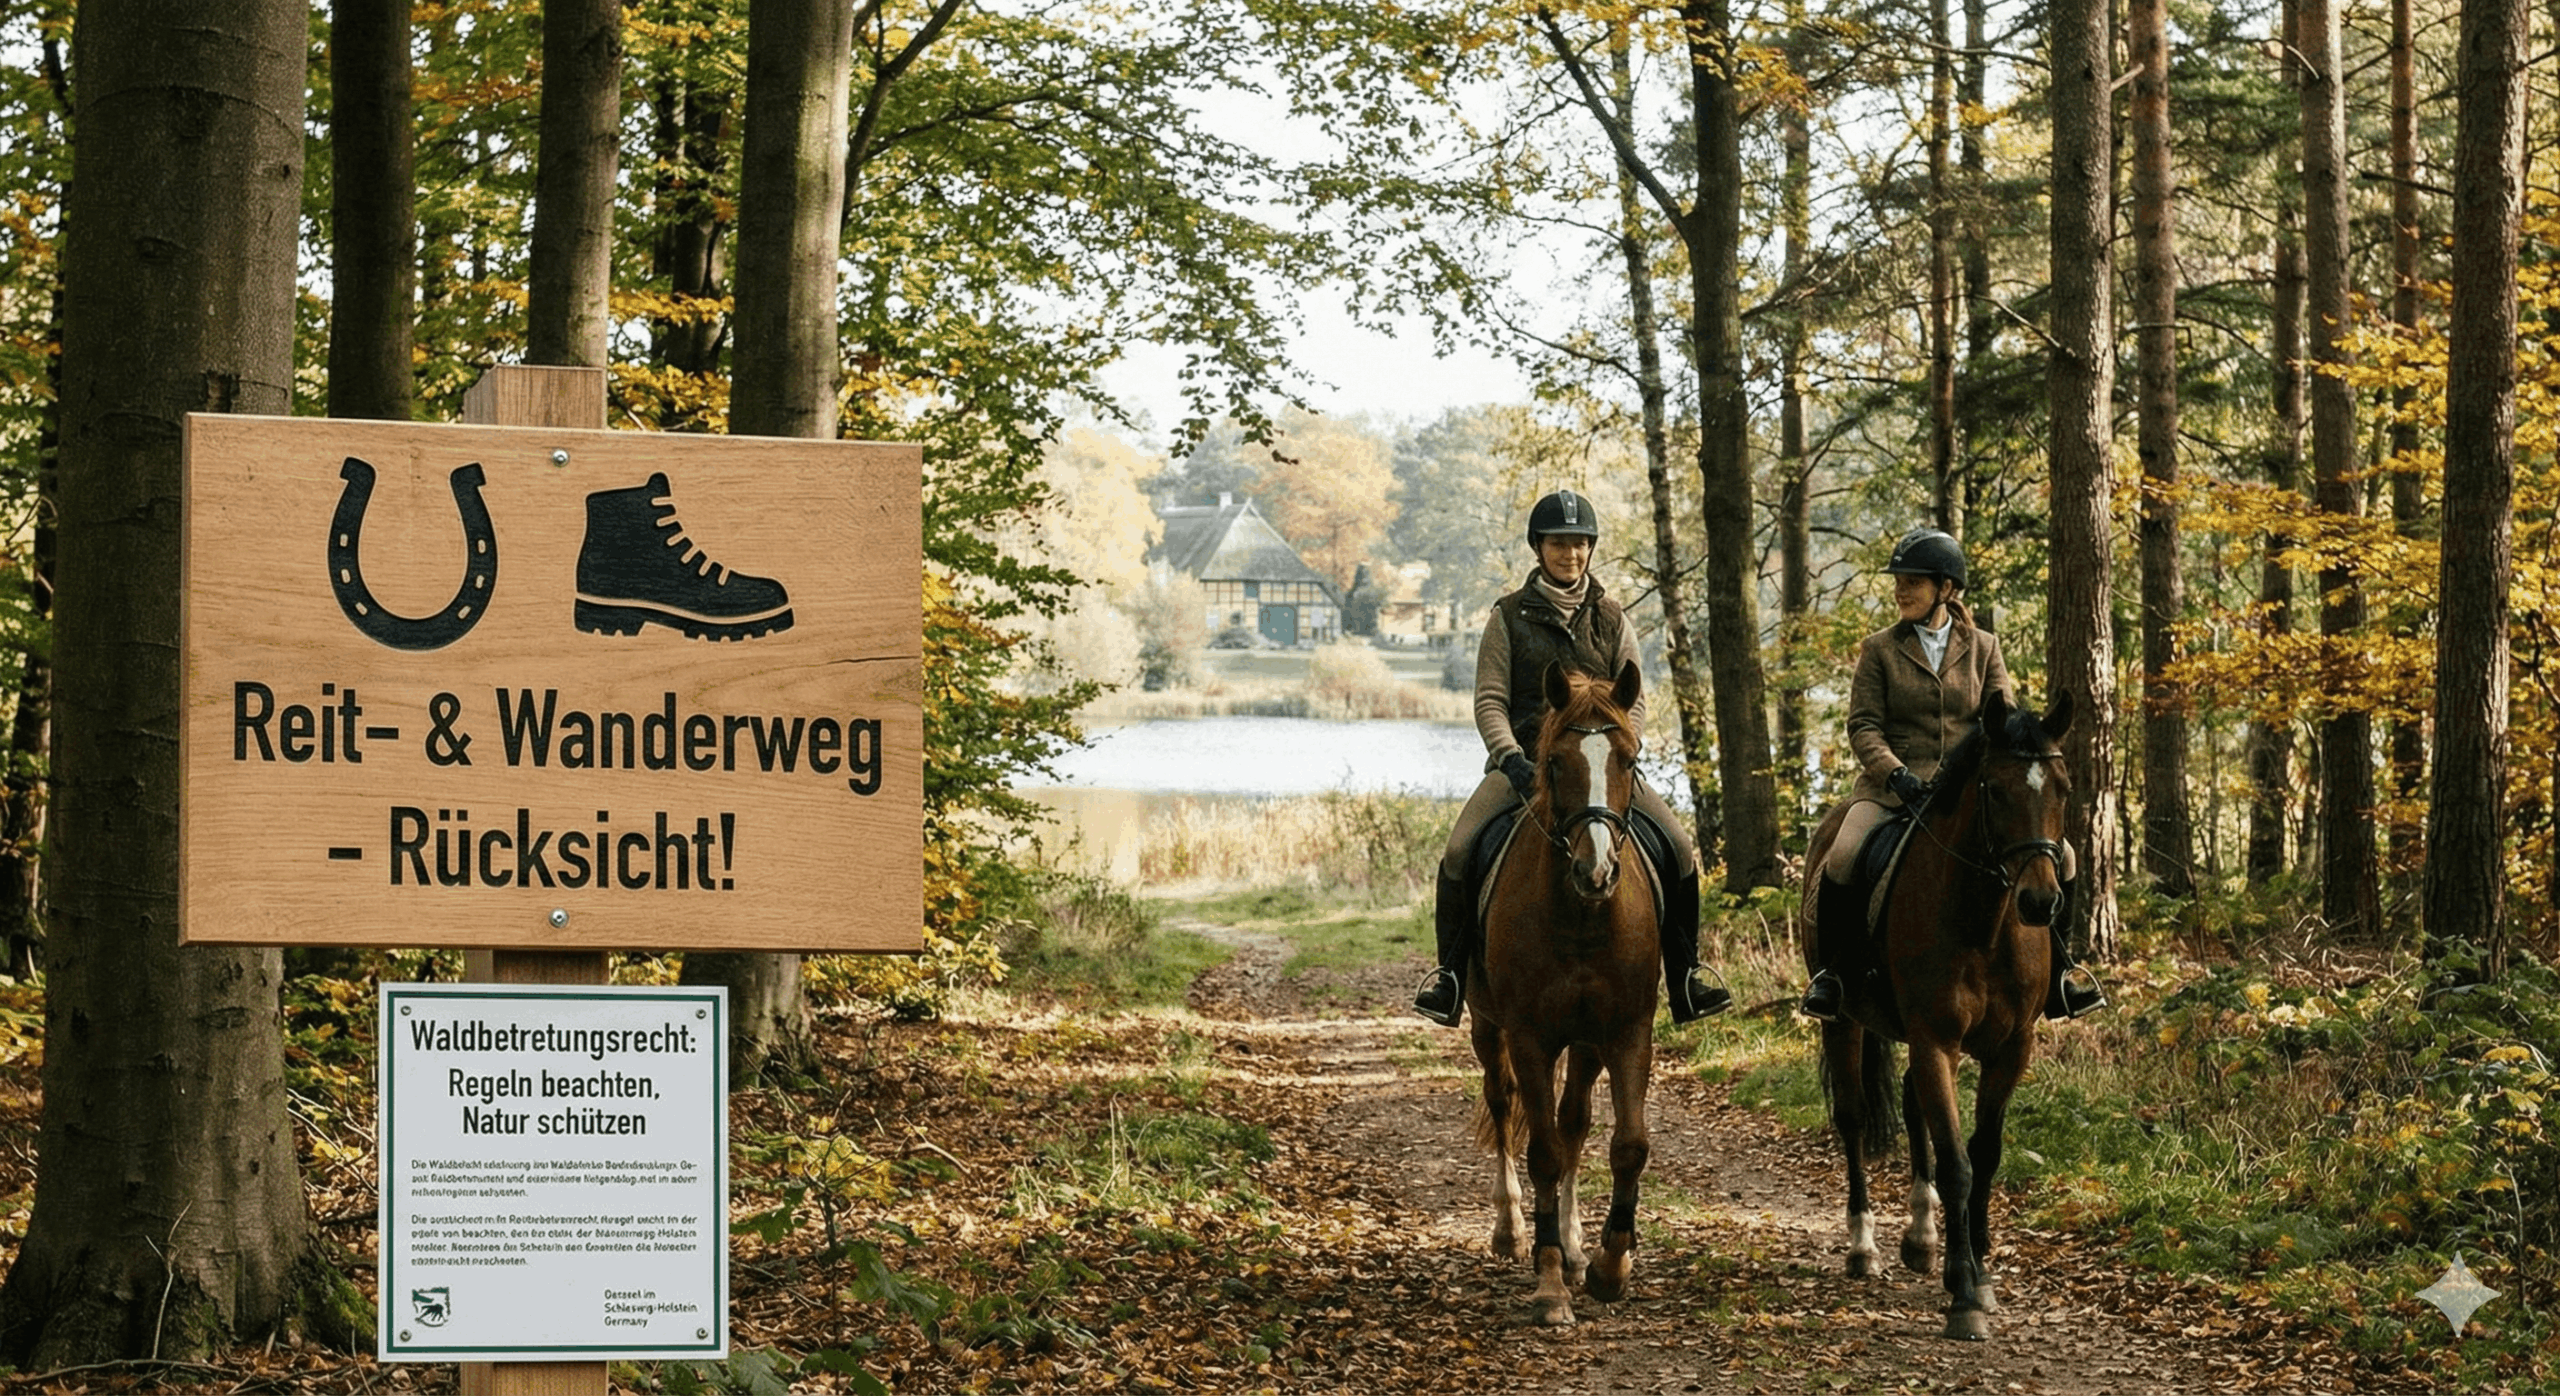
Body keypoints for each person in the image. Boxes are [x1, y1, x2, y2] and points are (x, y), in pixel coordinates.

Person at [1412, 489, 1731, 1027]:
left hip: (1602, 768)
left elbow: (1637, 700)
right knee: (1460, 849)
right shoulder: (1508, 616)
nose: (1572, 554)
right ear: (1539, 548)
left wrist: (1621, 754)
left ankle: (1685, 976)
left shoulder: (1611, 616)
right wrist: (1511, 758)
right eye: (1560, 544)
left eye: (1581, 544)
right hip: (1522, 770)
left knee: (1678, 846)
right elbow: (1490, 699)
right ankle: (1450, 977)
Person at [1798, 527, 2106, 1023]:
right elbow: (1863, 724)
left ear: (1946, 588)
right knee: (1845, 852)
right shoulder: (1879, 648)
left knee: (2063, 856)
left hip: (1967, 789)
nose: (1902, 590)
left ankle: (2063, 972)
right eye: (1899, 581)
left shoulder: (1984, 646)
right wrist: (1894, 773)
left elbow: (2002, 719)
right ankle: (1832, 975)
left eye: (1914, 582)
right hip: (1893, 789)